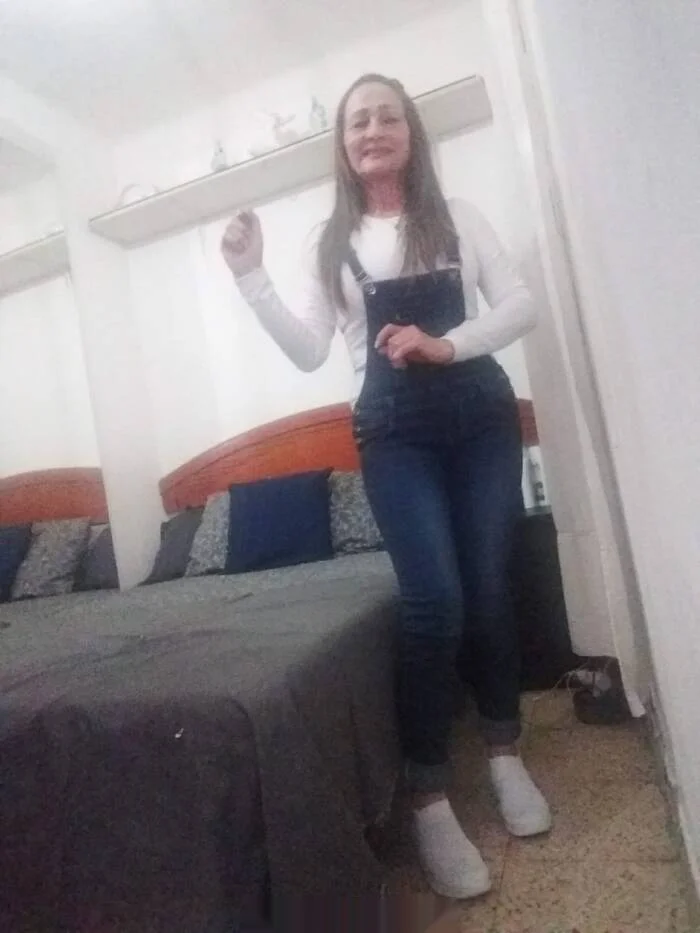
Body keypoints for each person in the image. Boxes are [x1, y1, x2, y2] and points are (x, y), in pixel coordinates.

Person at [221, 73, 551, 900]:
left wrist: (448, 343)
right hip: (395, 432)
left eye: (387, 117)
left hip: (480, 418)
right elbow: (309, 351)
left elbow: (521, 305)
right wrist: (251, 277)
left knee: (490, 589)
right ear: (343, 144)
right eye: (357, 121)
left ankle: (504, 751)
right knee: (435, 600)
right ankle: (430, 795)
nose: (373, 129)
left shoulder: (457, 217)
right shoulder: (330, 243)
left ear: (410, 133)